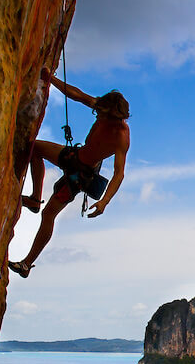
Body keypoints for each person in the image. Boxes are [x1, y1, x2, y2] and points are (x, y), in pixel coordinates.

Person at [8, 69, 130, 278]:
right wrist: (51, 79)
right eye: (98, 112)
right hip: (75, 156)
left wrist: (104, 202)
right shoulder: (103, 109)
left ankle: (26, 264)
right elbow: (78, 95)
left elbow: (119, 173)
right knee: (34, 148)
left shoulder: (121, 136)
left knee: (49, 215)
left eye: (100, 114)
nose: (97, 115)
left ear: (113, 116)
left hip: (81, 177)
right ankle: (36, 198)